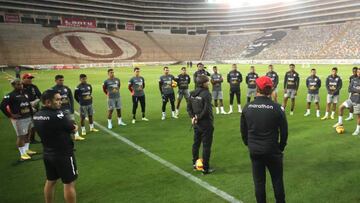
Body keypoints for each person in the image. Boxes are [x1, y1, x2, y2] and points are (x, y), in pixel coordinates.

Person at [241, 76, 288, 203]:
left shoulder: (247, 107)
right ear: (271, 90)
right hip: (272, 150)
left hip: (255, 150)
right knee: (277, 181)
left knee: (259, 183)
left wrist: (249, 144)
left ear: (257, 88)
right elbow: (284, 132)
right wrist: (280, 147)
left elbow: (243, 132)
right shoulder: (278, 108)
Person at [33, 90, 78, 203]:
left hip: (48, 153)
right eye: (57, 100)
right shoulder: (58, 114)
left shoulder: (37, 115)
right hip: (63, 154)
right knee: (69, 183)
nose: (60, 102)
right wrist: (74, 127)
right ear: (48, 102)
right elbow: (72, 128)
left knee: (51, 181)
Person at [0, 79, 37, 161]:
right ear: (13, 86)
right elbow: (2, 106)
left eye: (21, 84)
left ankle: (27, 150)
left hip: (28, 117)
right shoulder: (10, 95)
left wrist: (32, 115)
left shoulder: (24, 94)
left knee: (28, 134)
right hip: (19, 119)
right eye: (18, 84)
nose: (20, 85)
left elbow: (29, 105)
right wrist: (10, 115)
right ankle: (22, 154)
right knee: (21, 136)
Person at [187, 75, 215, 175]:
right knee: (206, 146)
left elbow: (189, 108)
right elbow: (206, 110)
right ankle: (205, 168)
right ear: (203, 83)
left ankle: (195, 164)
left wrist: (193, 117)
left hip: (196, 123)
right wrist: (198, 117)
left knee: (196, 143)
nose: (208, 83)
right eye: (207, 81)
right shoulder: (206, 94)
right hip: (206, 123)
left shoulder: (192, 93)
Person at [52, 75, 84, 141]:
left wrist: (72, 107)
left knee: (72, 121)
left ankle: (76, 135)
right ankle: (62, 136)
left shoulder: (66, 88)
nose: (62, 82)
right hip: (59, 110)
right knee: (60, 123)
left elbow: (71, 98)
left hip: (67, 108)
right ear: (56, 81)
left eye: (62, 80)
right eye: (60, 80)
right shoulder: (53, 89)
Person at [22, 73, 42, 144]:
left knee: (34, 124)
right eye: (28, 78)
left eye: (31, 78)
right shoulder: (20, 87)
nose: (30, 80)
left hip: (35, 108)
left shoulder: (34, 86)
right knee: (26, 125)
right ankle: (24, 139)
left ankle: (32, 139)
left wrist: (35, 101)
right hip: (24, 109)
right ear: (23, 79)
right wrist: (29, 104)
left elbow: (40, 96)